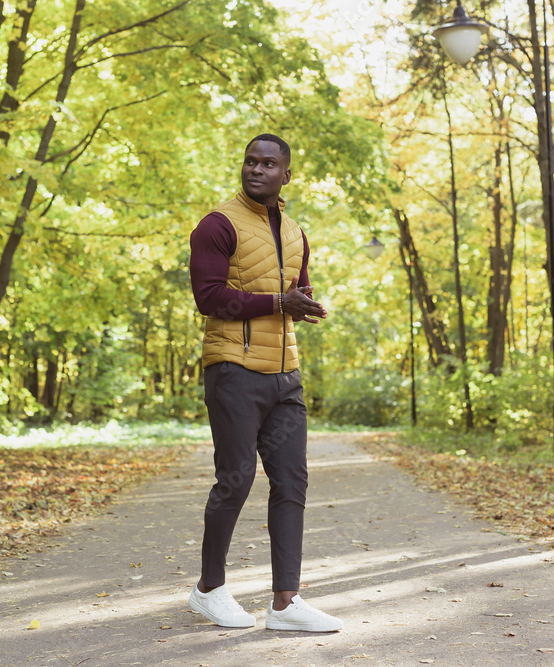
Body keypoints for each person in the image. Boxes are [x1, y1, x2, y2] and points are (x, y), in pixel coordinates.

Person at [186, 134, 342, 633]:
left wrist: (305, 303)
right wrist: (279, 303)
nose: (257, 169)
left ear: (286, 175)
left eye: (268, 163)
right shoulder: (217, 225)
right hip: (232, 369)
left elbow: (295, 289)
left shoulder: (295, 232)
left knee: (292, 481)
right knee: (235, 479)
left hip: (285, 376)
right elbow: (209, 297)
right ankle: (209, 589)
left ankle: (285, 602)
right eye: (250, 161)